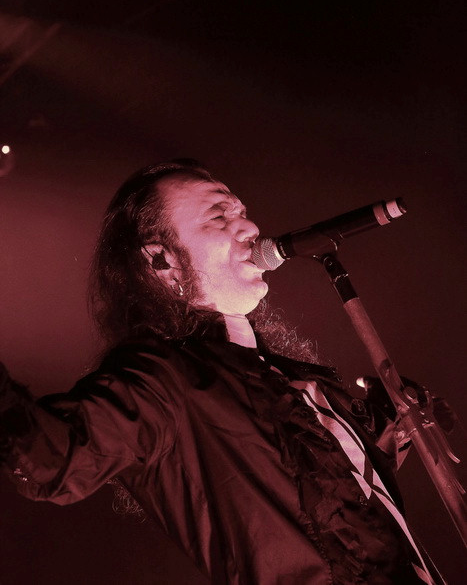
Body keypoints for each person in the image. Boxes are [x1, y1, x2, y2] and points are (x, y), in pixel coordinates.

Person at [0, 159, 447, 584]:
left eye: (242, 213)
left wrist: (399, 419)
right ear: (162, 260)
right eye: (219, 216)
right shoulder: (164, 377)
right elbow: (50, 459)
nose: (250, 228)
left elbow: (350, 491)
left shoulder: (292, 379)